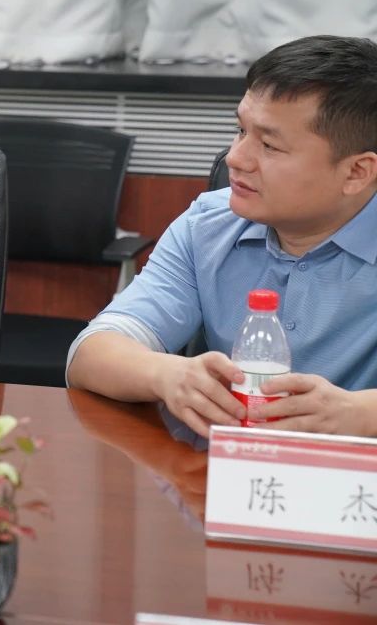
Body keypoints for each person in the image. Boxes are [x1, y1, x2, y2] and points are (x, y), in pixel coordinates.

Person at [67, 35, 377, 437]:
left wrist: (357, 413)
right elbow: (91, 353)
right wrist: (167, 375)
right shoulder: (208, 225)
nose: (235, 158)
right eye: (240, 130)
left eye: (269, 145)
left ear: (357, 172)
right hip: (219, 467)